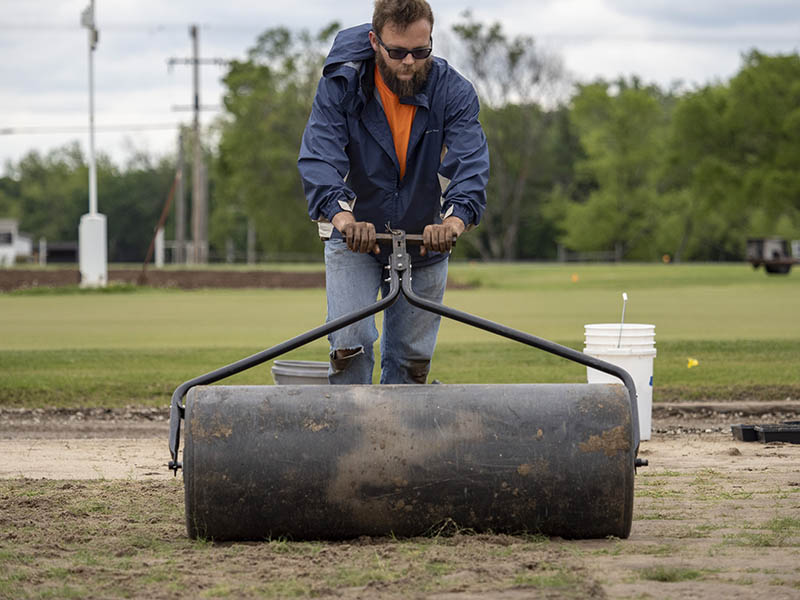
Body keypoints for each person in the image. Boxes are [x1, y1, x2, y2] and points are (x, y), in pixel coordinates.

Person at [298, 0, 489, 384]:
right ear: (374, 41)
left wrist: (453, 221)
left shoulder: (453, 91)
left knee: (412, 362)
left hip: (425, 239)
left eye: (421, 52)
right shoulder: (341, 85)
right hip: (355, 235)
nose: (408, 63)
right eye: (397, 52)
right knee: (348, 345)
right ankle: (350, 438)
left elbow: (470, 164)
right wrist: (343, 217)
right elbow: (320, 156)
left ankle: (402, 443)